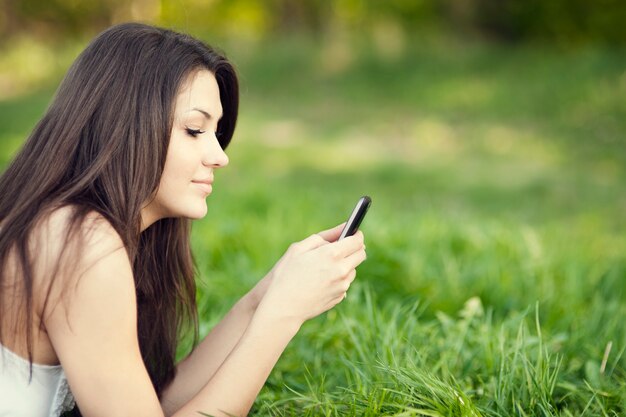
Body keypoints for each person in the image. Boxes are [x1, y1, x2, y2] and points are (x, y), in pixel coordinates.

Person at [0, 22, 367, 417]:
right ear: (125, 125)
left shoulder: (79, 227)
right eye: (194, 129)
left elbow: (152, 405)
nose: (220, 155)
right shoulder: (80, 242)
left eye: (216, 132)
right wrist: (283, 315)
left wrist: (269, 292)